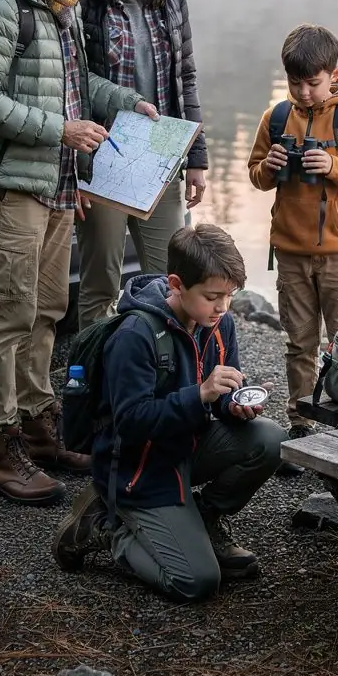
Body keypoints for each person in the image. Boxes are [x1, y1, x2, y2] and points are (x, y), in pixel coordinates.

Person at [0, 0, 157, 507]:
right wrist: (60, 132)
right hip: (12, 182)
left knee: (45, 311)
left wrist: (126, 103)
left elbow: (76, 83)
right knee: (7, 316)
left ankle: (40, 428)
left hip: (55, 185)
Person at [51, 224, 284, 602]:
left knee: (270, 438)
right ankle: (108, 530)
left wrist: (234, 404)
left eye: (229, 295)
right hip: (138, 468)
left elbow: (218, 393)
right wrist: (200, 394)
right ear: (176, 284)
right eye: (212, 296)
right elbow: (130, 422)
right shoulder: (135, 335)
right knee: (196, 581)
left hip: (186, 445)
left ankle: (205, 519)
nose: (223, 307)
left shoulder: (218, 322)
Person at [247, 24, 338, 471]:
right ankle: (302, 421)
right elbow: (255, 174)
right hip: (290, 253)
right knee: (298, 343)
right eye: (296, 83)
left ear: (335, 75)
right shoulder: (275, 118)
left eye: (313, 83)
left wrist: (335, 166)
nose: (304, 93)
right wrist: (268, 168)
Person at [76, 0, 208, 328]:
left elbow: (185, 76)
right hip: (105, 156)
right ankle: (94, 383)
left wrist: (197, 158)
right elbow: (74, 77)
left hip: (162, 156)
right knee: (100, 283)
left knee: (170, 278)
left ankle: (163, 378)